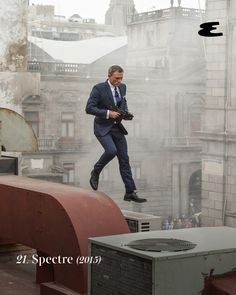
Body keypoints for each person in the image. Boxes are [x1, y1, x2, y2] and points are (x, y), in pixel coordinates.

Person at [85, 65, 147, 203]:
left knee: (124, 159)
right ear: (109, 75)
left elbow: (122, 102)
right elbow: (89, 108)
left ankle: (130, 192)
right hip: (102, 127)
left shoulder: (123, 87)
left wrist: (125, 112)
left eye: (121, 78)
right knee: (111, 151)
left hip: (117, 127)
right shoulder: (99, 88)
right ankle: (96, 171)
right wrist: (108, 113)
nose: (119, 81)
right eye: (116, 78)